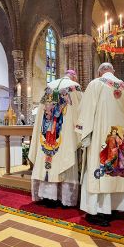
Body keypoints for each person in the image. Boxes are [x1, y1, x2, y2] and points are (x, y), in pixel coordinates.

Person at [77, 62, 124, 227]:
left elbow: (86, 111)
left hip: (101, 137)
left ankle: (100, 211)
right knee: (117, 168)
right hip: (119, 137)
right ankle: (116, 207)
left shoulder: (95, 84)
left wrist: (84, 135)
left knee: (102, 168)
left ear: (99, 72)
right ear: (113, 71)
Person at [29, 69, 82, 207]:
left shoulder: (49, 86)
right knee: (63, 160)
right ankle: (64, 199)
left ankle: (47, 196)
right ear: (74, 77)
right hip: (62, 134)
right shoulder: (74, 87)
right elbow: (81, 111)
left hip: (46, 133)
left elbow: (41, 113)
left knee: (48, 164)